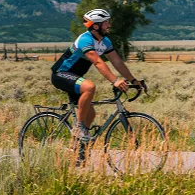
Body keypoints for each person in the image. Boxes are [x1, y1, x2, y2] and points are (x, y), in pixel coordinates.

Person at [51, 9, 144, 141]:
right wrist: (115, 81)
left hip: (76, 78)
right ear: (96, 26)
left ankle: (79, 149)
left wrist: (133, 80)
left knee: (90, 114)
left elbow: (117, 62)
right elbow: (98, 62)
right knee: (89, 87)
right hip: (61, 74)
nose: (109, 25)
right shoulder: (85, 39)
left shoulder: (105, 41)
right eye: (106, 23)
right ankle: (79, 127)